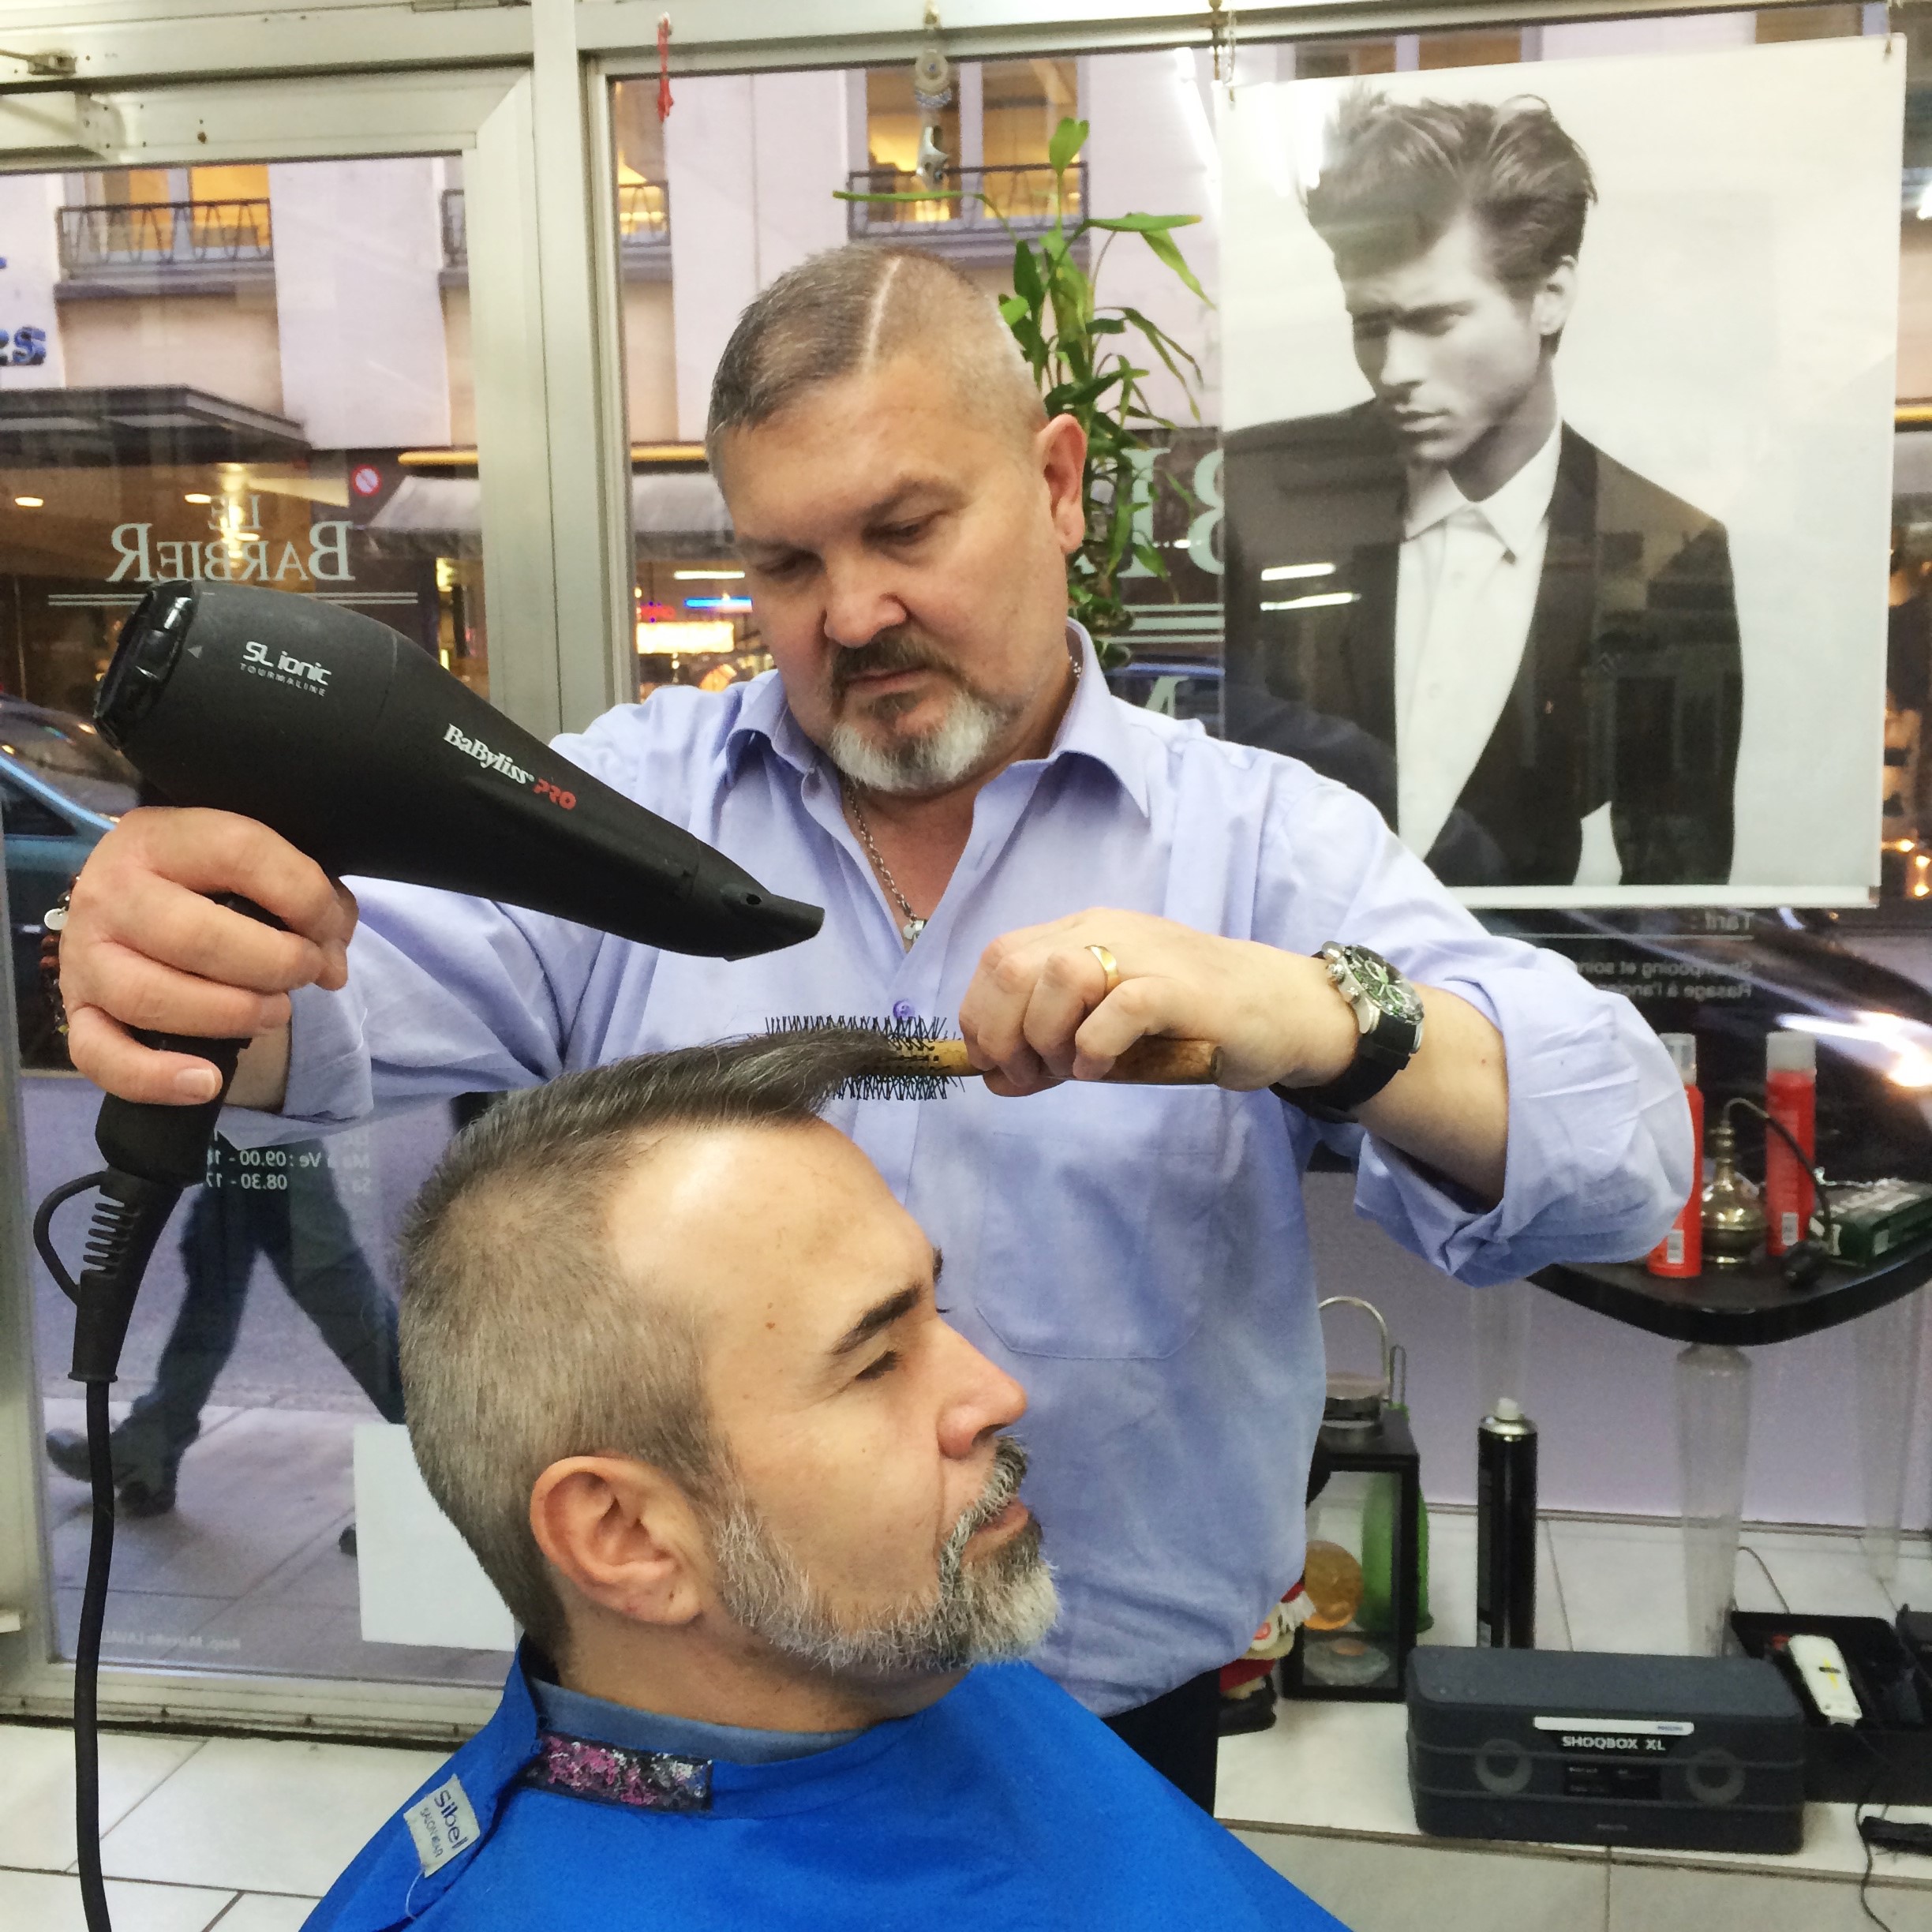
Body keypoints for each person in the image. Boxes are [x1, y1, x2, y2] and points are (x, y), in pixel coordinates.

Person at [56, 241, 1690, 1811]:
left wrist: (1316, 1007)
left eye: (906, 528)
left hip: (1108, 1724)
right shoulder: (618, 813)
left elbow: (1622, 1156)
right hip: (689, 1728)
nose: (848, 615)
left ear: (1057, 483)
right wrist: (179, 964)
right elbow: (310, 1010)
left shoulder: (1261, 842)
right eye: (785, 563)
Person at [307, 1032, 1346, 1931]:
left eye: (936, 1309)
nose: (997, 1393)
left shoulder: (895, 1650)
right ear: (627, 1536)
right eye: (877, 1362)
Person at [1222, 89, 1743, 889]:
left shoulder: (1667, 542)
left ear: (1550, 296)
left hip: (1520, 971)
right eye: (1370, 324)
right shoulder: (1263, 490)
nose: (1395, 370)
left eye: (1436, 321)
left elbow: (1678, 881)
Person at [43, 1133, 402, 1518]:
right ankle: (155, 1435)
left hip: (263, 1115)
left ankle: (440, 1437)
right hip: (244, 1119)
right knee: (221, 1254)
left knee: (319, 1266)